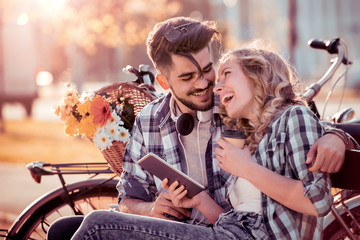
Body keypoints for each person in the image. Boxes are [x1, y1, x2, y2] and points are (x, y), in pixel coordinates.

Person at [48, 16, 352, 239]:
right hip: (184, 228)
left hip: (223, 232)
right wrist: (150, 209)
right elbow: (128, 197)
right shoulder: (150, 121)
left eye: (208, 70)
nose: (207, 84)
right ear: (164, 82)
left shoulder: (242, 106)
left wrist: (337, 136)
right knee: (63, 230)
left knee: (96, 227)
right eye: (187, 77)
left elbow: (301, 126)